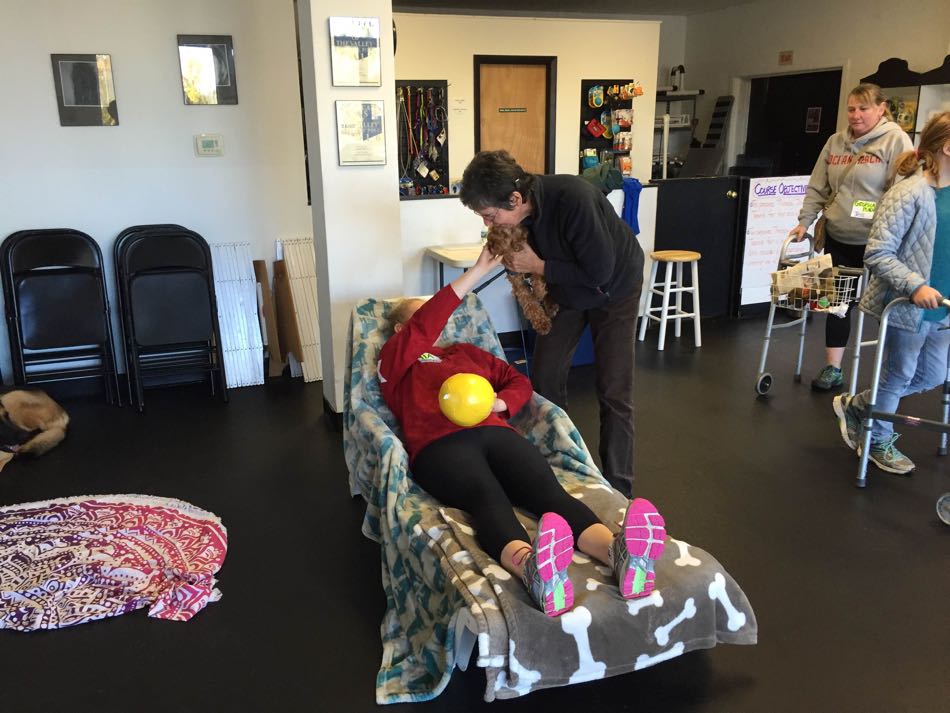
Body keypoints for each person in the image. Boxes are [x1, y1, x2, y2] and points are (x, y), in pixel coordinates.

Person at [378, 247, 666, 617]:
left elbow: (515, 380)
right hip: (439, 447)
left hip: (495, 432)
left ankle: (621, 555)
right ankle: (534, 570)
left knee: (548, 493)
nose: (438, 327)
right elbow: (424, 325)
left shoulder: (463, 352)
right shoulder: (395, 362)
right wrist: (479, 270)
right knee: (487, 497)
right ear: (402, 331)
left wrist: (502, 404)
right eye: (424, 321)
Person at [459, 150, 644, 498]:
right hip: (570, 291)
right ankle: (565, 462)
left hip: (615, 287)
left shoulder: (574, 199)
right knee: (544, 377)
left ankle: (620, 490)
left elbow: (598, 272)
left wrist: (537, 265)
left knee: (614, 389)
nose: (488, 224)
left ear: (515, 198)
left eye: (490, 215)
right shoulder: (518, 217)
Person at [833, 111, 950, 475]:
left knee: (932, 376)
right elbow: (878, 252)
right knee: (898, 373)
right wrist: (915, 285)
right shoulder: (908, 193)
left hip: (944, 309)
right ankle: (876, 438)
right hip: (910, 305)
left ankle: (860, 405)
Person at [789, 83, 913, 392]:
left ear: (881, 108)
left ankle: (895, 376)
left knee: (887, 306)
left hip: (879, 242)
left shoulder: (895, 140)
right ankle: (834, 368)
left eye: (864, 108)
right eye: (851, 109)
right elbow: (817, 186)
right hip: (837, 235)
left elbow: (905, 192)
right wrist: (804, 222)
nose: (855, 115)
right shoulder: (835, 142)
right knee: (837, 303)